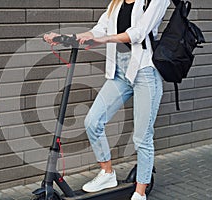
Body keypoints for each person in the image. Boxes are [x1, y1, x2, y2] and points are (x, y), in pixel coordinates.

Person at [44, 0, 170, 199]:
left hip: (145, 73)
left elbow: (138, 32)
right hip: (120, 73)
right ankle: (107, 173)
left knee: (142, 137)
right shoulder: (116, 2)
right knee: (93, 121)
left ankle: (140, 193)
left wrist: (105, 40)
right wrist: (65, 38)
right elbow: (98, 30)